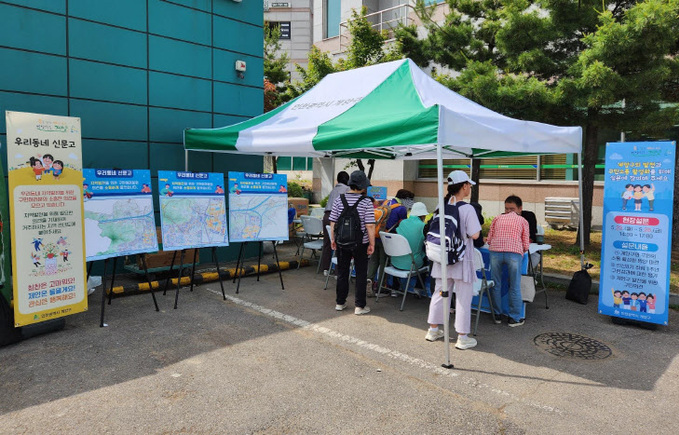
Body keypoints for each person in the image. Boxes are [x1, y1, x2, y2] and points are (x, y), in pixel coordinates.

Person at [425, 170, 481, 350]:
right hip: (461, 258)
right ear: (464, 186)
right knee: (463, 297)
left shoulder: (441, 206)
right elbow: (475, 234)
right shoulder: (467, 208)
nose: (470, 188)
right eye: (468, 185)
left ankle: (433, 330)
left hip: (442, 257)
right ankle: (462, 337)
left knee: (440, 292)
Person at [329, 171, 375, 315]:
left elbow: (333, 222)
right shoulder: (366, 201)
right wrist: (371, 244)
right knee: (361, 273)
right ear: (362, 186)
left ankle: (340, 302)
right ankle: (359, 306)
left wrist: (333, 240)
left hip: (342, 242)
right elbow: (370, 225)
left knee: (342, 272)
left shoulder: (339, 199)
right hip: (360, 243)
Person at [486, 195, 530, 327]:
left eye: (511, 208)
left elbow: (489, 239)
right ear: (521, 209)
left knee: (496, 284)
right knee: (515, 286)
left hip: (495, 252)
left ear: (519, 208)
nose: (509, 211)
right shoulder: (523, 220)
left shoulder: (497, 218)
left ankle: (497, 315)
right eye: (507, 209)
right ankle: (514, 318)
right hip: (514, 254)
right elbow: (526, 244)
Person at [390, 202, 428, 294]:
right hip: (411, 264)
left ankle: (395, 288)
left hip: (395, 262)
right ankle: (418, 288)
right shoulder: (423, 226)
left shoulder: (402, 222)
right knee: (426, 258)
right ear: (423, 215)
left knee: (402, 253)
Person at [320, 171, 350, 274]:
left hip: (326, 217)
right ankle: (338, 271)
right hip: (337, 218)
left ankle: (325, 268)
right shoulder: (347, 189)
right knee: (339, 244)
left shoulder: (334, 189)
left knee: (327, 243)